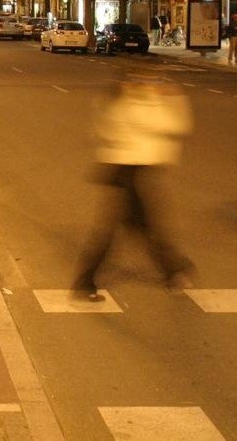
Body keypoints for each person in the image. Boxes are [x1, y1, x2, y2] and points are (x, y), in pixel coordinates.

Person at [74, 72, 195, 301]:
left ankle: (174, 270)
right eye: (148, 80)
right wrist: (171, 98)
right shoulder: (136, 103)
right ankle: (175, 270)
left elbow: (101, 131)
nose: (151, 85)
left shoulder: (114, 102)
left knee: (138, 226)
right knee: (126, 229)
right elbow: (175, 125)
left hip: (126, 169)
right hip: (132, 171)